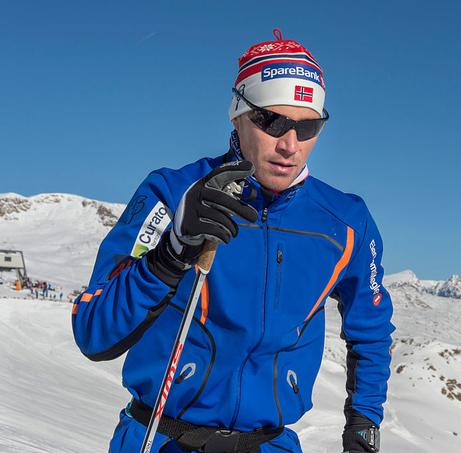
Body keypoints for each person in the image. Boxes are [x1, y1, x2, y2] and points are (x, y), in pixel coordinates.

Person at [72, 29, 394, 453]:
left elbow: (369, 329)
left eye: (309, 126)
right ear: (237, 113)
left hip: (270, 444)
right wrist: (169, 254)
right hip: (160, 438)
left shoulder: (346, 221)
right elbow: (95, 331)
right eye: (271, 121)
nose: (289, 145)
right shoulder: (172, 193)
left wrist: (362, 425)